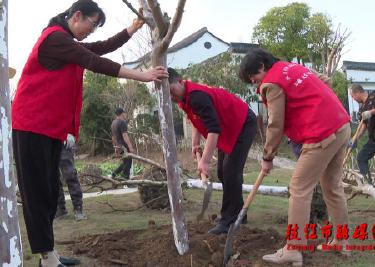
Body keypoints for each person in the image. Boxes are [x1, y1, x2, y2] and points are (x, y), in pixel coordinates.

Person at [11, 1, 168, 266]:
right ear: (77, 16)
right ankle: (47, 260)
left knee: (50, 192)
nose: (91, 32)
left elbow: (100, 48)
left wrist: (133, 27)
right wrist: (143, 75)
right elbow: (95, 61)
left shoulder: (66, 42)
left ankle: (49, 255)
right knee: (38, 194)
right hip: (31, 126)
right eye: (92, 25)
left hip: (48, 129)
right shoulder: (55, 39)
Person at [239, 48, 351, 265]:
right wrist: (315, 105)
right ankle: (342, 240)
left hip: (322, 134)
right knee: (332, 187)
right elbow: (325, 80)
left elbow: (275, 123)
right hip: (341, 124)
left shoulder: (271, 83)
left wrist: (268, 156)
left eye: (254, 78)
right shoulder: (293, 67)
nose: (255, 84)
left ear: (262, 66)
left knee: (299, 189)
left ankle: (293, 247)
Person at [167, 68, 257, 235]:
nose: (172, 97)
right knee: (224, 172)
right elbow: (195, 119)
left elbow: (213, 129)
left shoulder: (197, 96)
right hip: (228, 128)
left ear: (180, 81)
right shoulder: (184, 98)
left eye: (171, 91)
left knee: (230, 171)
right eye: (168, 96)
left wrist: (205, 161)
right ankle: (238, 215)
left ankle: (228, 220)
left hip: (242, 123)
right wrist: (195, 143)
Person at [55, 134, 87, 221]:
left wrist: (70, 133)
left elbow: (73, 120)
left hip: (63, 140)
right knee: (53, 177)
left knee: (70, 174)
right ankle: (60, 208)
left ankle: (78, 208)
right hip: (48, 140)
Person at [111, 107, 134, 179]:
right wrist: (130, 147)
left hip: (119, 146)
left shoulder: (113, 123)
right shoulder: (122, 122)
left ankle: (114, 174)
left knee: (125, 162)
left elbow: (113, 137)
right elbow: (125, 135)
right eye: (124, 113)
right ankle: (125, 179)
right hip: (124, 146)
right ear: (122, 113)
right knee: (128, 162)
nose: (125, 114)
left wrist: (115, 147)